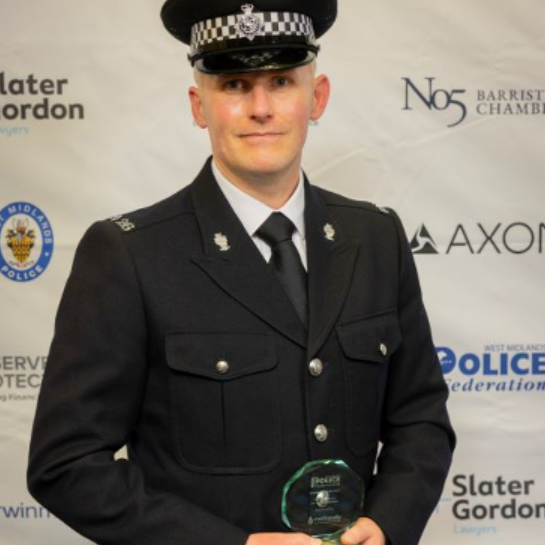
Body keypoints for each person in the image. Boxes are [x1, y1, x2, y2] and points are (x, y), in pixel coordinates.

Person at [27, 2, 455, 545]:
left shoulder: (376, 238)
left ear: (316, 97)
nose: (261, 108)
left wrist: (386, 523)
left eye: (281, 81)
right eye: (233, 84)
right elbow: (65, 465)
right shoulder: (128, 254)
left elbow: (420, 416)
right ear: (198, 105)